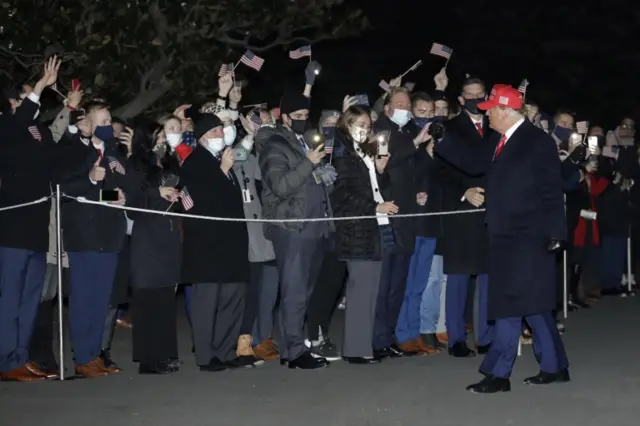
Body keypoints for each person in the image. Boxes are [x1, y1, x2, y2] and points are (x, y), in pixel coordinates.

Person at [435, 84, 569, 393]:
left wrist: (556, 234)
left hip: (529, 237)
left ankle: (498, 373)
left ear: (506, 111)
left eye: (491, 110)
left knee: (508, 304)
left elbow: (551, 191)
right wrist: (443, 139)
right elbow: (471, 163)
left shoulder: (537, 142)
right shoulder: (498, 140)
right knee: (533, 305)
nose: (487, 115)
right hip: (503, 234)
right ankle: (555, 365)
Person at [330, 106, 394, 364]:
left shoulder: (364, 153)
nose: (366, 129)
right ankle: (356, 349)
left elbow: (378, 188)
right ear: (347, 124)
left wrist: (380, 169)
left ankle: (365, 344)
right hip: (356, 228)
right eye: (362, 124)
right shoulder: (342, 154)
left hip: (375, 226)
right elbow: (342, 196)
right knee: (360, 290)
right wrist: (373, 207)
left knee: (372, 290)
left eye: (369, 125)